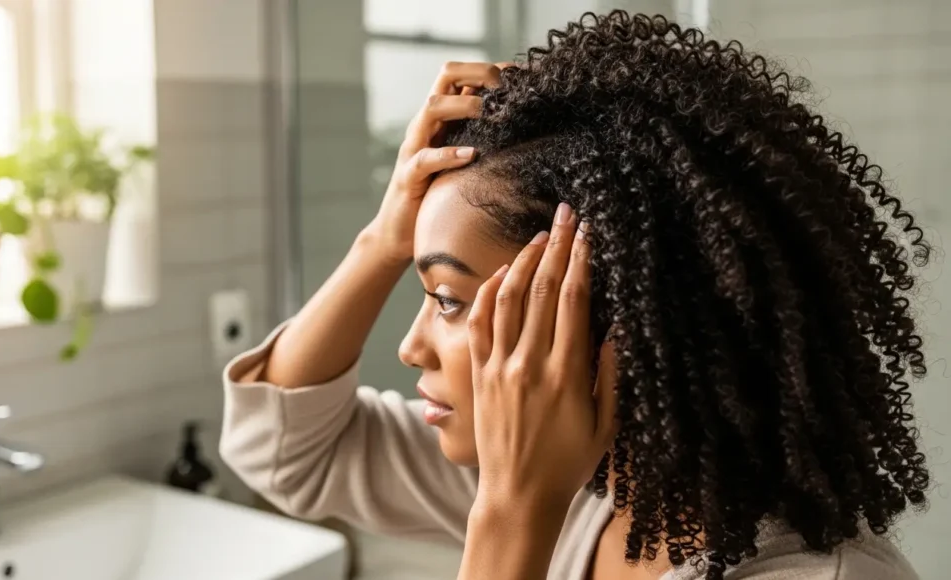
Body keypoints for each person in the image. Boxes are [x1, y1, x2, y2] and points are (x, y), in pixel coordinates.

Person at [220, 11, 930, 580]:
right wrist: (383, 239)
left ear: (610, 313)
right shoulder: (585, 483)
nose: (409, 347)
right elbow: (288, 454)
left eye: (447, 299)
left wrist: (511, 516)